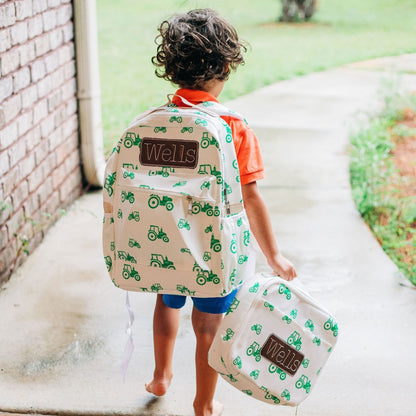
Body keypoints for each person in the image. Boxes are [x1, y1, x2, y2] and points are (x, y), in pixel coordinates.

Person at [144, 9, 297, 416]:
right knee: (208, 326)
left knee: (166, 304)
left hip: (170, 240)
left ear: (172, 67)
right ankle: (204, 403)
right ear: (227, 65)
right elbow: (251, 197)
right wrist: (274, 256)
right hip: (214, 251)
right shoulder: (232, 125)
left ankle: (161, 374)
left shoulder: (158, 121)